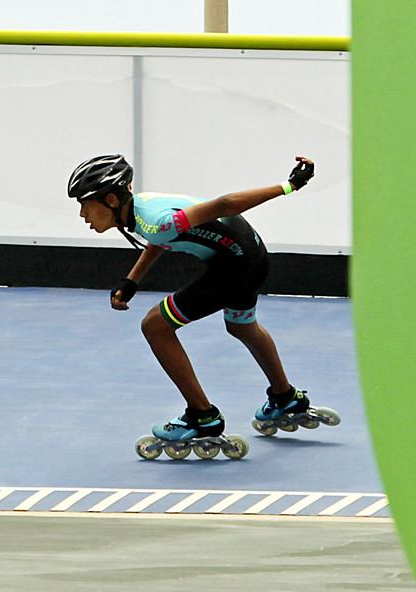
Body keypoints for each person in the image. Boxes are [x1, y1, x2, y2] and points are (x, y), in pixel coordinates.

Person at [67, 152, 333, 455]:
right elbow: (161, 237)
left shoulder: (154, 221)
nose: (82, 215)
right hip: (250, 256)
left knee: (155, 326)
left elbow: (224, 204)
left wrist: (289, 186)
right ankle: (286, 399)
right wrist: (132, 280)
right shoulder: (140, 209)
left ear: (111, 200)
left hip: (236, 266)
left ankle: (202, 416)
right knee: (242, 327)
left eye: (84, 205)